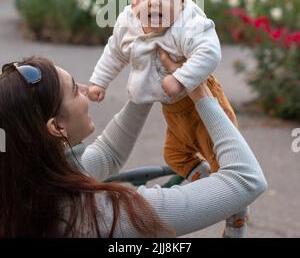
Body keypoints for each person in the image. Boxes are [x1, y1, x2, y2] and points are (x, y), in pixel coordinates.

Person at [0, 55, 267, 237]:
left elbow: (108, 154)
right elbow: (246, 180)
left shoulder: (28, 185)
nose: (84, 89)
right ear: (57, 127)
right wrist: (202, 94)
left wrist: (147, 84)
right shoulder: (103, 215)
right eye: (74, 90)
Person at [89, 0, 247, 237]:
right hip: (172, 109)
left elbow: (209, 52)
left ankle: (236, 218)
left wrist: (182, 78)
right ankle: (205, 182)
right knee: (175, 156)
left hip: (203, 104)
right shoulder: (129, 21)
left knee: (225, 165)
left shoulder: (189, 23)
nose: (154, 1)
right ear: (133, 0)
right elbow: (115, 52)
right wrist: (100, 82)